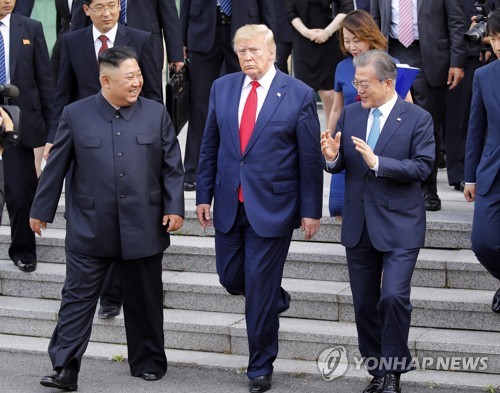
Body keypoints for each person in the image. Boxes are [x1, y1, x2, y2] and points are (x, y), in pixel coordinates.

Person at [30, 46, 185, 390]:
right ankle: (64, 368)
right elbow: (56, 168)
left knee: (145, 298)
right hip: (90, 224)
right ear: (105, 80)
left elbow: (172, 167)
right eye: (129, 77)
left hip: (144, 223)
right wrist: (40, 211)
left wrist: (175, 207)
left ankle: (148, 361)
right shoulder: (76, 114)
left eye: (139, 75)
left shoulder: (156, 113)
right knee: (77, 298)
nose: (137, 82)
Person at [196, 24, 323, 393]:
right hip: (228, 203)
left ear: (272, 53)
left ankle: (260, 366)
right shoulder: (223, 88)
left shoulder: (298, 94)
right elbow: (209, 145)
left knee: (259, 289)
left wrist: (310, 209)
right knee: (230, 277)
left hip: (274, 207)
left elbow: (309, 159)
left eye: (254, 51)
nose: (247, 58)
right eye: (241, 52)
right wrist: (203, 195)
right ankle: (274, 297)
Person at [321, 50, 434, 393]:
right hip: (359, 224)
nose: (358, 90)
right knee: (365, 304)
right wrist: (333, 157)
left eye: (364, 84)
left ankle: (393, 372)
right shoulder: (352, 114)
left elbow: (422, 167)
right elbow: (342, 165)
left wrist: (379, 162)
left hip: (400, 224)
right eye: (355, 83)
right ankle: (377, 370)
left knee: (393, 298)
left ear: (388, 83)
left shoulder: (416, 118)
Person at [44, 0, 164, 320]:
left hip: (132, 146)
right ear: (86, 10)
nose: (108, 12)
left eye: (113, 4)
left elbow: (152, 94)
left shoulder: (140, 39)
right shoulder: (72, 42)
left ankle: (113, 294)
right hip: (85, 146)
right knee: (88, 216)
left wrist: (155, 142)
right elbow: (62, 94)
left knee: (124, 217)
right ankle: (82, 287)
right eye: (100, 6)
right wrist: (53, 139)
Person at [371, 0, 467, 211]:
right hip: (390, 52)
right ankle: (390, 183)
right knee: (389, 121)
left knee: (428, 125)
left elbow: (456, 22)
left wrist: (457, 61)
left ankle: (427, 189)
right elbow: (375, 19)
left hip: (429, 55)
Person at [179, 0, 276, 192]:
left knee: (249, 102)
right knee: (199, 105)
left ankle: (248, 167)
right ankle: (194, 172)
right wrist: (181, 41)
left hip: (245, 30)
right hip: (201, 30)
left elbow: (267, 5)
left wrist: (270, 40)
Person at [0, 0, 55, 273]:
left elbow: (44, 79)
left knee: (21, 192)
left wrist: (51, 129)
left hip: (20, 123)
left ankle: (23, 250)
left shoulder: (30, 28)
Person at [326, 9, 395, 218]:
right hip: (347, 138)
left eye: (357, 40)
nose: (351, 47)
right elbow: (337, 107)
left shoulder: (388, 63)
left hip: (381, 137)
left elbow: (406, 103)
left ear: (370, 36)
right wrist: (328, 136)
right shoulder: (342, 67)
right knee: (340, 205)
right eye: (347, 41)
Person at [463, 8, 500, 314]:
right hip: (493, 171)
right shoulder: (484, 75)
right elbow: (475, 128)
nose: (497, 45)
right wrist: (470, 176)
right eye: (495, 37)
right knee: (483, 242)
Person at [71, 0, 185, 75]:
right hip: (104, 40)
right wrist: (74, 51)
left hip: (146, 43)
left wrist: (176, 55)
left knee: (151, 98)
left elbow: (169, 14)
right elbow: (81, 12)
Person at [286, 0, 354, 125]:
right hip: (303, 42)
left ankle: (329, 135)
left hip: (331, 40)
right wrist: (306, 32)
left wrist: (327, 32)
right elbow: (290, 12)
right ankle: (305, 135)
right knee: (303, 94)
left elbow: (347, 8)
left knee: (330, 94)